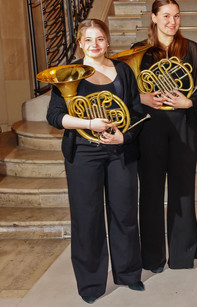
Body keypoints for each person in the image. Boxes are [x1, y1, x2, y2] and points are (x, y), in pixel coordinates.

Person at [46, 19, 144, 304]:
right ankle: (90, 285)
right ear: (80, 43)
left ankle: (128, 274)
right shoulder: (68, 72)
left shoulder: (123, 70)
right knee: (87, 219)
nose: (95, 45)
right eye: (88, 40)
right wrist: (88, 122)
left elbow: (136, 113)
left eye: (100, 38)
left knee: (125, 213)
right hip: (83, 151)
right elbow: (54, 116)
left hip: (119, 150)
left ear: (108, 41)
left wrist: (122, 138)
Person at [132, 0, 197, 272]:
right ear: (153, 18)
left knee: (183, 191)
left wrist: (188, 102)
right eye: (165, 16)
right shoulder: (139, 51)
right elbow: (130, 90)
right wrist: (143, 97)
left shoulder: (190, 48)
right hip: (151, 126)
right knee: (151, 192)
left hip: (182, 125)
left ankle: (182, 255)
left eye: (176, 16)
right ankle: (152, 258)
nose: (172, 22)